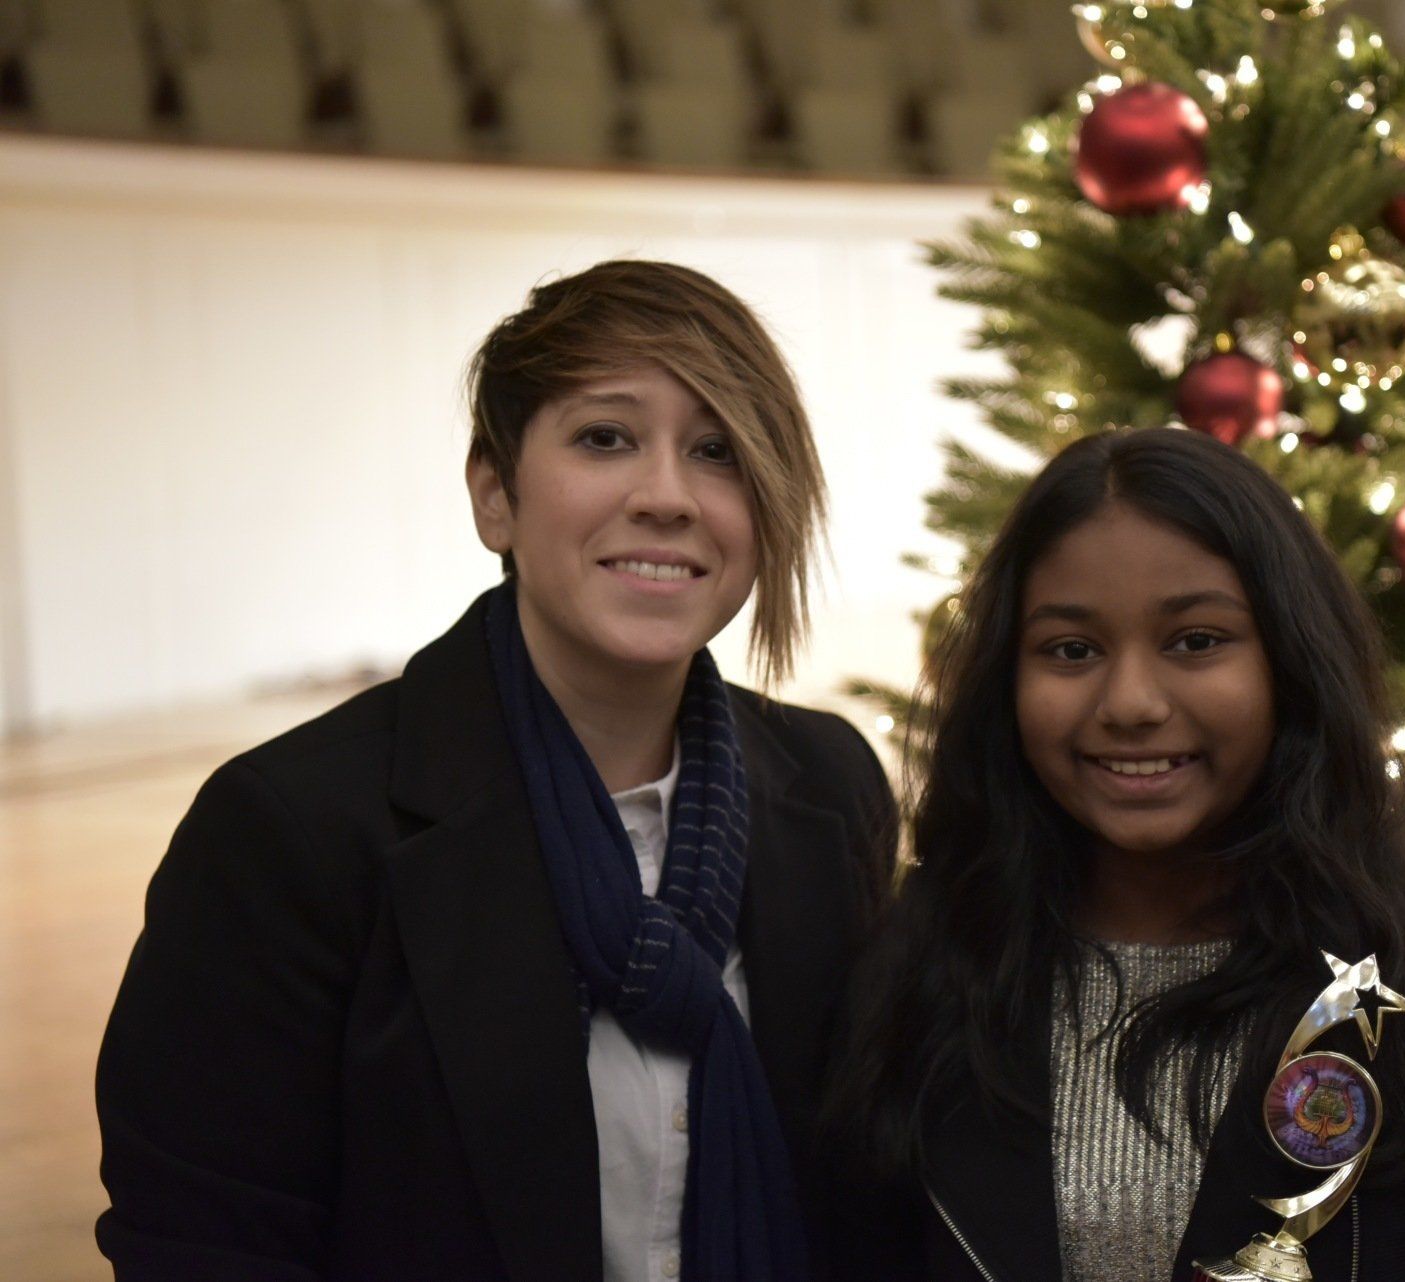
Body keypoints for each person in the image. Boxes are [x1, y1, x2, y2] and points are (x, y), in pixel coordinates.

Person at [96, 261, 897, 1282]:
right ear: (495, 496)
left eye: (718, 451)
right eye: (606, 437)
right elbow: (202, 1244)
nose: (666, 495)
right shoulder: (292, 829)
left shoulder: (829, 785)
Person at [834, 427, 1405, 1281]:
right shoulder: (927, 968)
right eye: (1071, 650)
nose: (1131, 701)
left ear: (1289, 664)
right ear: (1007, 680)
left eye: (1196, 641)